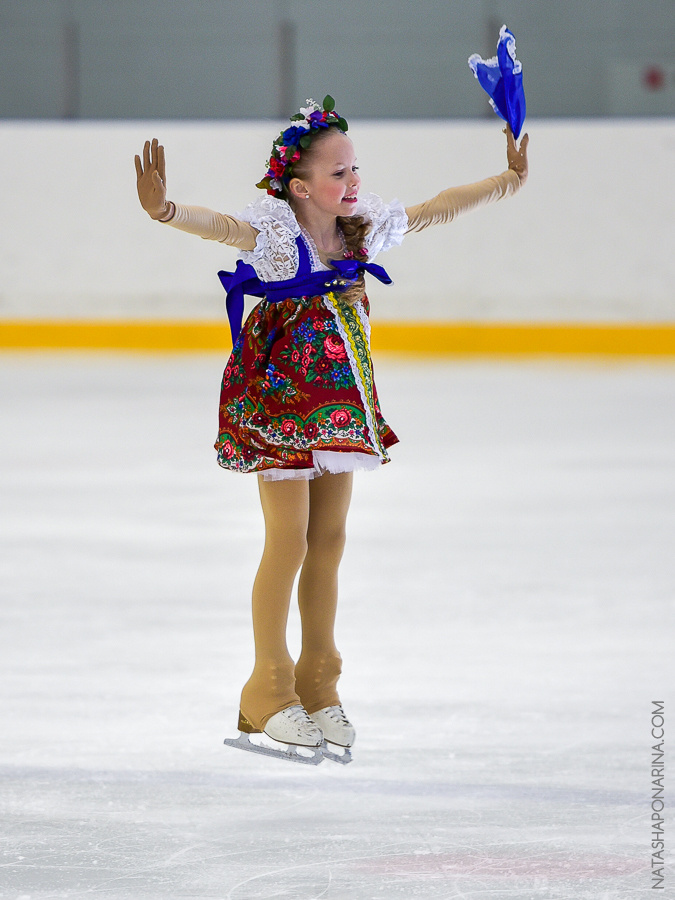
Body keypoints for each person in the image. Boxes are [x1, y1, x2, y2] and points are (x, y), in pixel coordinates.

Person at [135, 96, 528, 761]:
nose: (353, 183)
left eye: (353, 170)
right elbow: (220, 226)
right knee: (285, 539)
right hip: (280, 398)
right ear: (298, 186)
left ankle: (319, 683)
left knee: (330, 537)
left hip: (340, 401)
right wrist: (165, 211)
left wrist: (505, 181)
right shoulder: (273, 230)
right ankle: (267, 687)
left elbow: (437, 207)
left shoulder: (361, 227)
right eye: (338, 174)